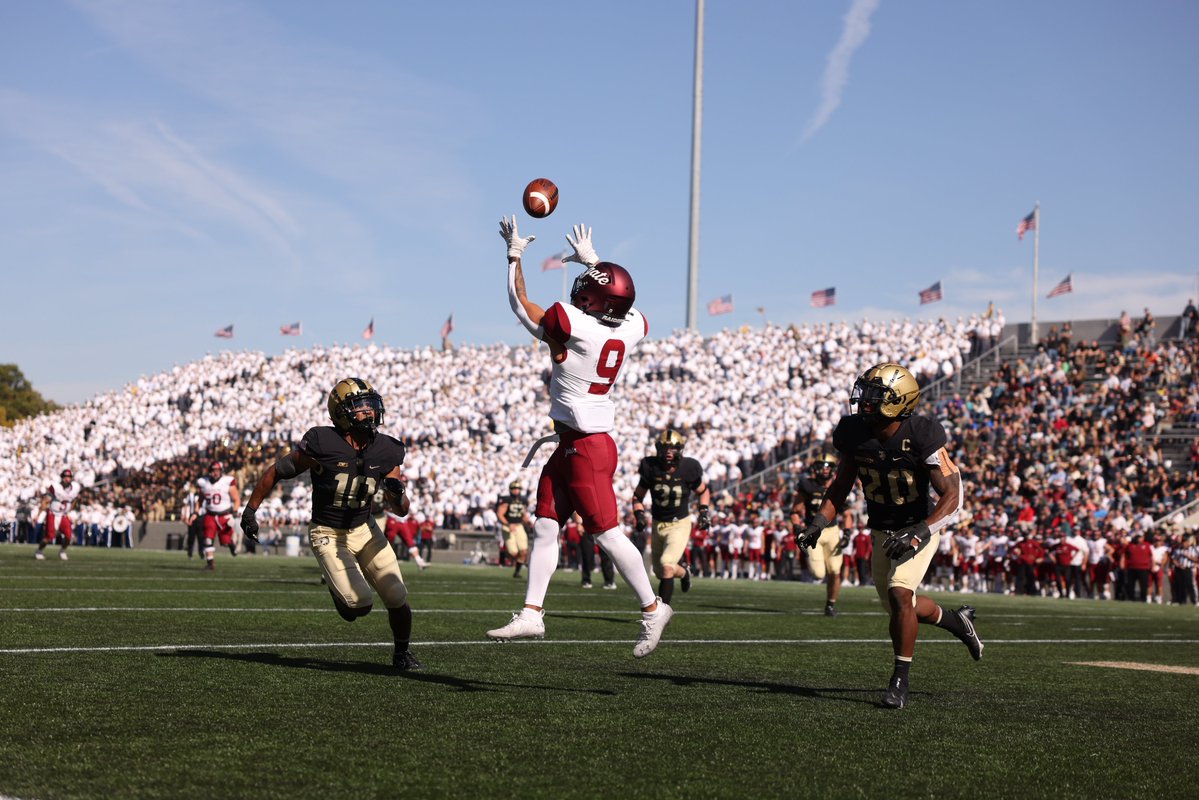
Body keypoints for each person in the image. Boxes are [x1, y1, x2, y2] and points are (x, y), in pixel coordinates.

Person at [486, 217, 673, 658]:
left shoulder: (576, 325)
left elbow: (519, 302)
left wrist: (514, 255)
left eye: (588, 285)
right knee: (546, 524)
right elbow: (626, 309)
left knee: (606, 534)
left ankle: (653, 608)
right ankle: (533, 612)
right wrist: (595, 263)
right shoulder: (628, 328)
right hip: (574, 442)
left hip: (587, 446)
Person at [798, 362, 982, 709]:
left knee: (900, 595)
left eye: (875, 396)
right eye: (864, 394)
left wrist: (920, 530)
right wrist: (819, 522)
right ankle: (958, 622)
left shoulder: (923, 433)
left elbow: (952, 494)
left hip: (919, 526)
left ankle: (900, 680)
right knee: (903, 606)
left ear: (900, 400)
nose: (865, 402)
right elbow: (840, 486)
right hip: (882, 529)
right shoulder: (854, 433)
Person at [239, 377, 423, 671]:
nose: (368, 413)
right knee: (358, 606)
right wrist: (250, 510)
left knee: (396, 594)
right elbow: (278, 471)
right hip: (328, 532)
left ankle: (402, 653)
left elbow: (400, 511)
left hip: (365, 529)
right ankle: (339, 592)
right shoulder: (322, 442)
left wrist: (396, 492)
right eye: (359, 408)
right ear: (341, 412)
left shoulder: (387, 449)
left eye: (370, 406)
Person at [631, 429, 712, 605]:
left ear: (680, 449)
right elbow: (638, 496)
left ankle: (663, 612)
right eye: (665, 448)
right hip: (658, 523)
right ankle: (684, 572)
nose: (668, 452)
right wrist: (639, 515)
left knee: (667, 565)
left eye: (673, 448)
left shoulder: (689, 468)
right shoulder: (650, 467)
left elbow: (703, 491)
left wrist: (704, 512)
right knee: (660, 572)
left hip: (679, 524)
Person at [790, 454, 849, 616]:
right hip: (812, 531)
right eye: (822, 466)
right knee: (818, 574)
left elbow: (847, 514)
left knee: (835, 570)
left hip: (833, 531)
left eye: (828, 466)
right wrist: (797, 528)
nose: (824, 469)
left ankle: (830, 604)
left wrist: (848, 532)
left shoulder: (838, 485)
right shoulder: (807, 485)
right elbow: (795, 511)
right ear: (815, 468)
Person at [196, 460, 241, 570]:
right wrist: (195, 512)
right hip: (210, 515)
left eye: (217, 470)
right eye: (213, 470)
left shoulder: (227, 482)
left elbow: (236, 500)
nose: (215, 473)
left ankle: (231, 544)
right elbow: (200, 500)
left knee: (224, 541)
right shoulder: (204, 483)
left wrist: (234, 512)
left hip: (224, 515)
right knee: (207, 539)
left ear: (221, 471)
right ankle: (210, 563)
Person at [35, 468, 81, 560]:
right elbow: (46, 501)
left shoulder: (75, 487)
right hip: (53, 513)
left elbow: (74, 500)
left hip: (63, 514)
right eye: (65, 476)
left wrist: (70, 510)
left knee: (69, 535)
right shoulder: (56, 487)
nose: (67, 479)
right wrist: (38, 514)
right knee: (49, 537)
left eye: (69, 477)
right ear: (62, 477)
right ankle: (39, 550)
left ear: (71, 478)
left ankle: (62, 551)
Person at [497, 480, 532, 578]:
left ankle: (517, 572)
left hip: (519, 525)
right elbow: (500, 514)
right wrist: (508, 524)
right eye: (514, 488)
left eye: (518, 488)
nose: (516, 490)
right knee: (513, 553)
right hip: (508, 527)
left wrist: (528, 521)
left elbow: (522, 513)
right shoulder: (506, 500)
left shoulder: (523, 500)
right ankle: (508, 559)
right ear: (510, 490)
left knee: (524, 551)